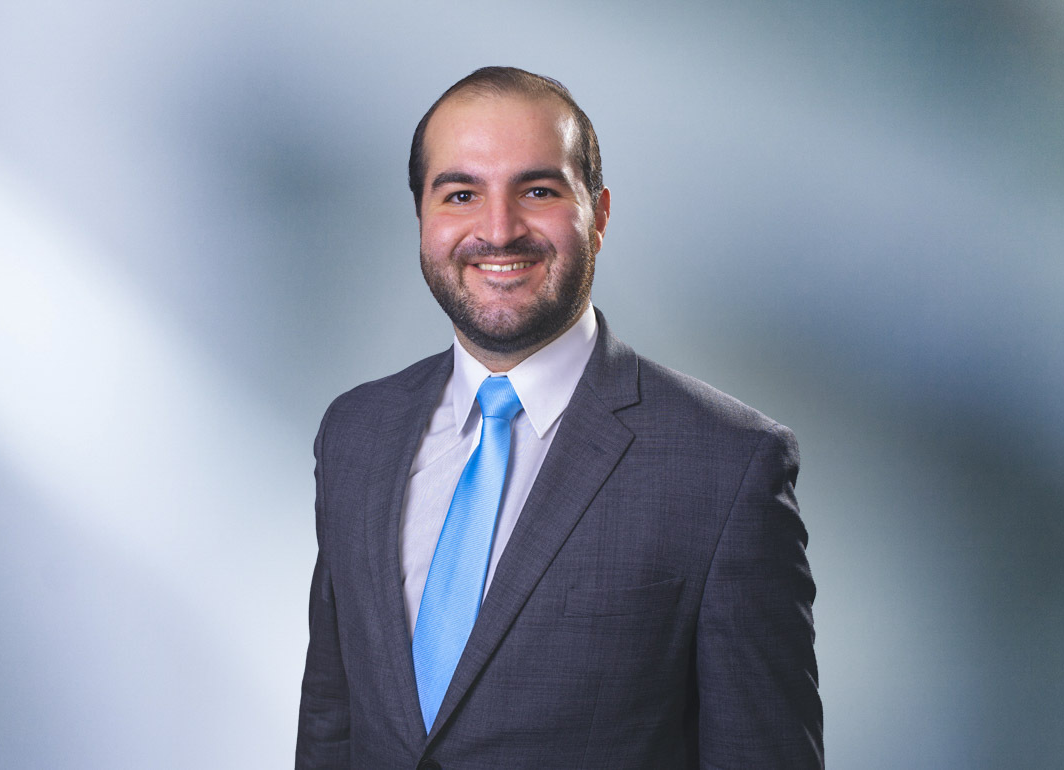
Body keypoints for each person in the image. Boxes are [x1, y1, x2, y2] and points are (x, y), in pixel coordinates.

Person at [295, 66, 822, 769]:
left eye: (537, 190)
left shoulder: (727, 469)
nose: (498, 229)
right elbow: (331, 729)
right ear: (422, 216)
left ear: (598, 215)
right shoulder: (355, 435)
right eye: (460, 194)